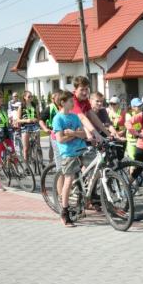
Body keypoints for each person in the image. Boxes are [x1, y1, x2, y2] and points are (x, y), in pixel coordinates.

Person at [52, 90, 88, 227]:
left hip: (81, 149)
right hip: (68, 153)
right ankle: (64, 212)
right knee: (68, 180)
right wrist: (75, 134)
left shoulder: (74, 116)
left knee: (92, 171)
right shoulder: (58, 119)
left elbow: (84, 134)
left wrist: (72, 133)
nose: (73, 103)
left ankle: (86, 201)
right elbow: (60, 139)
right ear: (63, 103)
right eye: (70, 101)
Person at [17, 91, 40, 162]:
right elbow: (18, 120)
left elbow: (39, 118)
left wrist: (36, 119)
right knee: (26, 148)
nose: (30, 98)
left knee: (38, 146)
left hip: (35, 127)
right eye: (29, 97)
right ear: (24, 97)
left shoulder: (35, 105)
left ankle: (40, 161)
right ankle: (26, 165)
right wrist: (26, 120)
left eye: (31, 96)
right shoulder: (21, 106)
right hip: (25, 127)